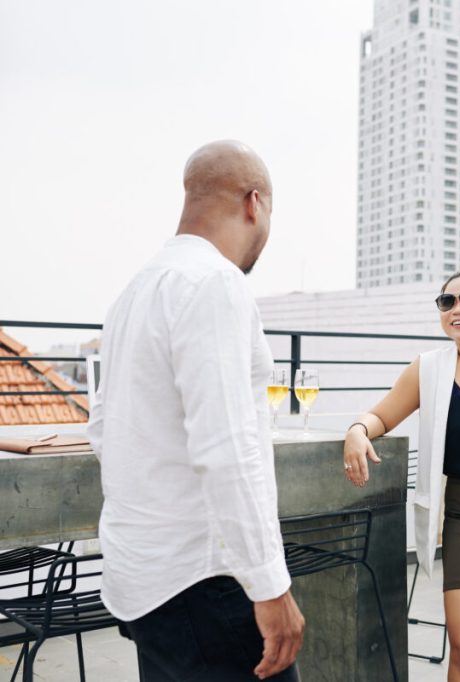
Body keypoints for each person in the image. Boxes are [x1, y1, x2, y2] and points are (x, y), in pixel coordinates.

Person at [86, 140, 304, 681]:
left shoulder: (134, 292)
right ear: (255, 203)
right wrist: (269, 584)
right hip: (206, 578)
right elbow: (226, 447)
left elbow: (103, 429)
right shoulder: (214, 282)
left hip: (143, 577)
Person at [343, 268, 460, 682]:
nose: (456, 309)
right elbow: (382, 415)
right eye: (447, 302)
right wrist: (357, 430)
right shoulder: (429, 369)